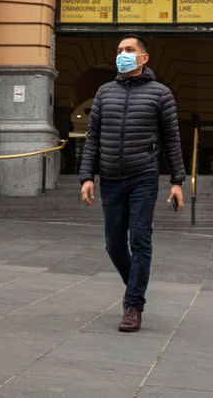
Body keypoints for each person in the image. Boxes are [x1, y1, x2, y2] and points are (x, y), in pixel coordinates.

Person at [79, 34, 186, 333]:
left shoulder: (161, 94)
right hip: (110, 178)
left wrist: (177, 181)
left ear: (144, 58)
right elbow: (93, 139)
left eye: (129, 50)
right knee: (113, 244)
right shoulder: (103, 93)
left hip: (143, 178)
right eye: (119, 50)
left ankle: (134, 307)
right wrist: (87, 175)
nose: (122, 54)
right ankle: (134, 286)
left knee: (140, 241)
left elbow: (172, 141)